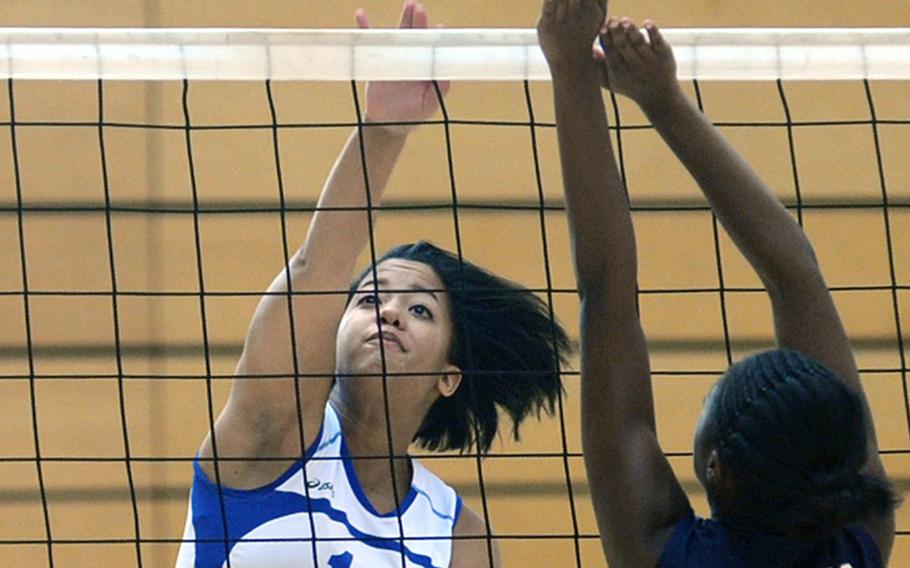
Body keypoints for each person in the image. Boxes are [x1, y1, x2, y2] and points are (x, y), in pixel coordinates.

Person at [175, 2, 569, 567]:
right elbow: (318, 269)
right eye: (369, 299)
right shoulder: (273, 432)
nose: (389, 313)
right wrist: (383, 131)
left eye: (421, 311)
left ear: (449, 376)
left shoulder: (459, 537)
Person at [537, 1, 899, 566]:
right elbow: (605, 288)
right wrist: (584, 73)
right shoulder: (858, 541)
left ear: (716, 466)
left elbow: (795, 278)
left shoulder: (866, 533)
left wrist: (646, 94)